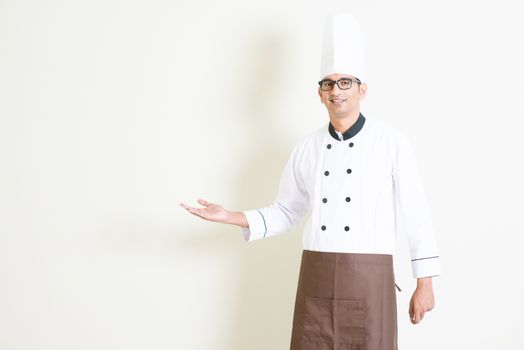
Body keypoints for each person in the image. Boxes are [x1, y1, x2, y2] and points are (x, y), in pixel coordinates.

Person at [181, 13, 441, 350]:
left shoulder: (391, 143)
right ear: (319, 93)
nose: (336, 91)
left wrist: (426, 282)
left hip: (369, 280)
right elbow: (288, 211)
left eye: (345, 82)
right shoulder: (307, 148)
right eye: (328, 83)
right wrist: (231, 216)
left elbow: (417, 215)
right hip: (316, 278)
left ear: (362, 89)